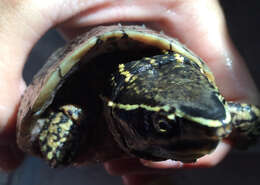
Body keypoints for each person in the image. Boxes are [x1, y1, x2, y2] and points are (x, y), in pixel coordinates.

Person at [0, 0, 258, 185]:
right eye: (164, 124)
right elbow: (53, 145)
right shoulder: (79, 109)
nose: (214, 132)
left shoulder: (209, 112)